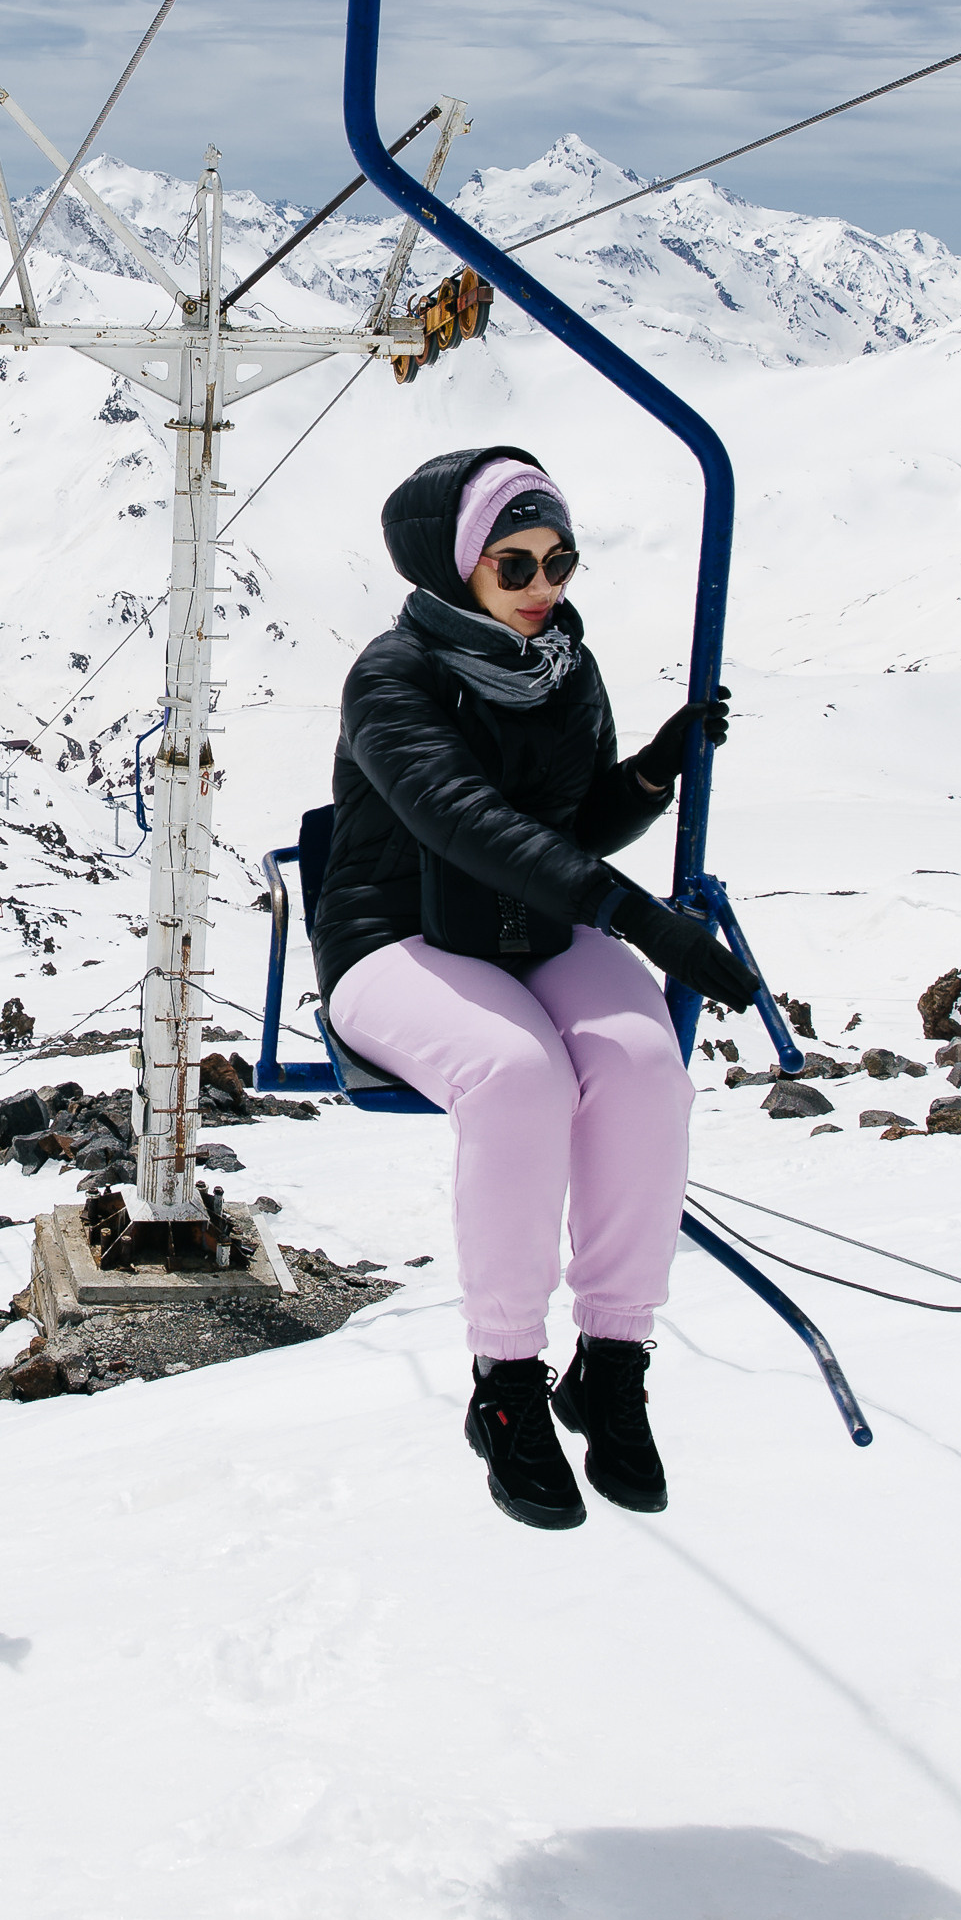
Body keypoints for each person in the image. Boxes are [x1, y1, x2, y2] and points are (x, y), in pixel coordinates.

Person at [313, 443, 753, 1531]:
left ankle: (611, 1361)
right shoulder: (391, 679)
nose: (544, 588)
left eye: (560, 561)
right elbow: (464, 820)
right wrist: (635, 916)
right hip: (397, 934)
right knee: (517, 1080)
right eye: (515, 566)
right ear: (454, 568)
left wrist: (648, 774)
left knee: (644, 1067)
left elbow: (566, 827)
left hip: (531, 925)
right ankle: (506, 1385)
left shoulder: (562, 664)